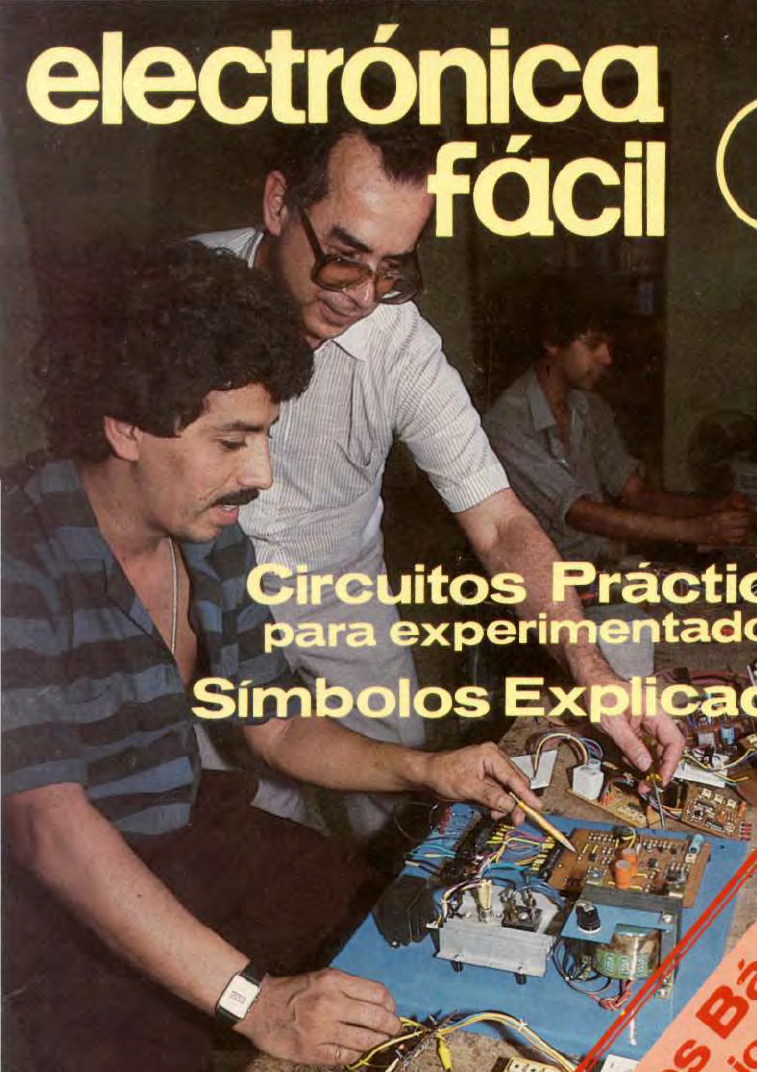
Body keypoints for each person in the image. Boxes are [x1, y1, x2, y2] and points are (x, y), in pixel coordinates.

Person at [1, 242, 542, 1072]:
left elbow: (276, 720)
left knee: (391, 928)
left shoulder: (209, 535)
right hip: (55, 908)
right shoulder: (16, 551)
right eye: (232, 440)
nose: (259, 473)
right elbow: (48, 828)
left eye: (265, 437)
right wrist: (258, 1003)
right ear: (124, 423)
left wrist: (427, 766)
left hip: (182, 830)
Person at [196, 121, 684, 840]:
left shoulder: (401, 341)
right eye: (345, 257)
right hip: (204, 602)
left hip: (340, 596)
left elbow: (501, 522)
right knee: (253, 826)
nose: (363, 297)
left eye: (393, 267)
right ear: (278, 204)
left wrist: (592, 668)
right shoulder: (184, 290)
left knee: (400, 816)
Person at [484, 282, 752, 677]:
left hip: (595, 578)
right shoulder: (507, 422)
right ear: (552, 343)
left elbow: (635, 491)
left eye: (608, 344)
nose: (607, 358)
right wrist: (693, 530)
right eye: (594, 344)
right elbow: (580, 512)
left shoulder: (588, 408)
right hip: (539, 598)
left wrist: (711, 508)